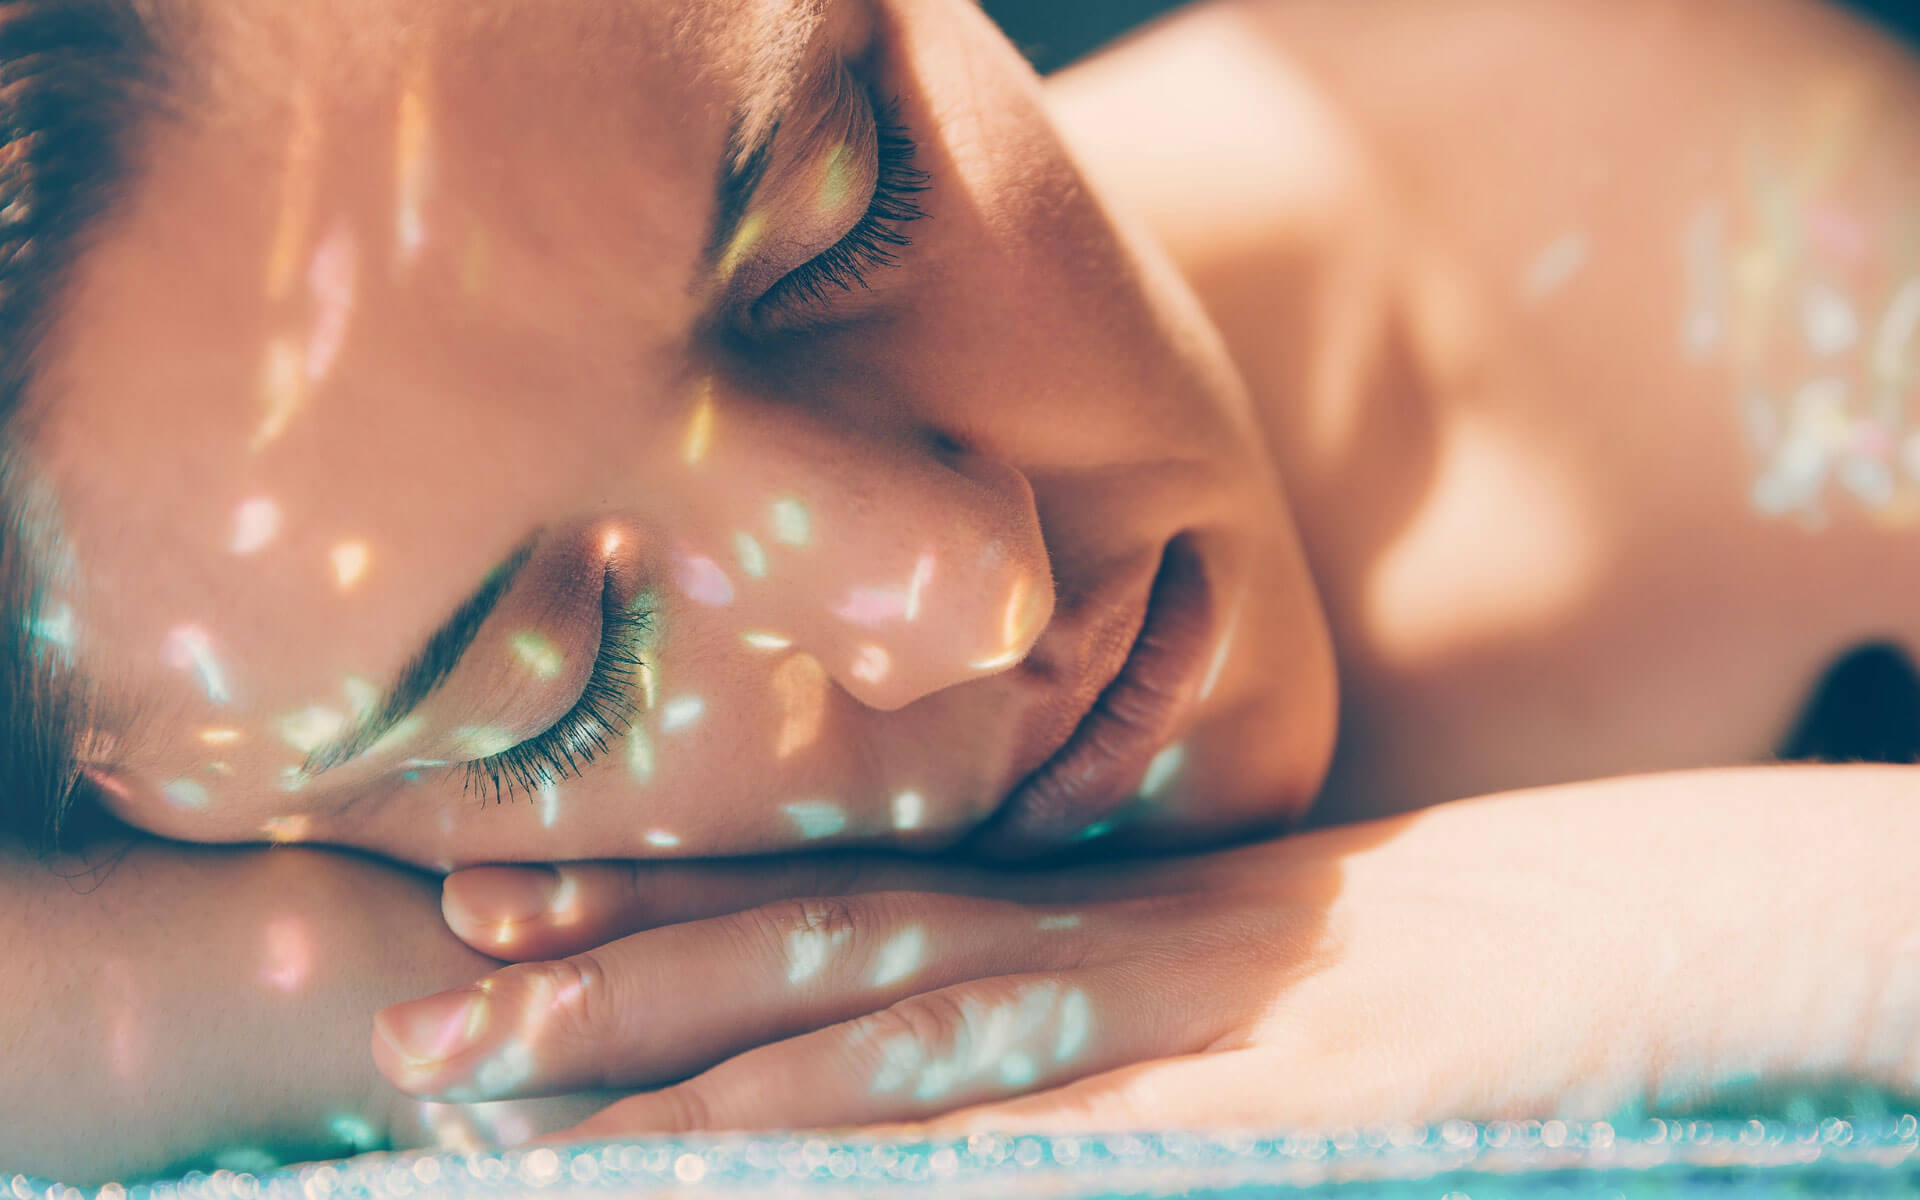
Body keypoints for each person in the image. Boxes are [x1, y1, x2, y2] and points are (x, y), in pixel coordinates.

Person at [3, 0, 1918, 1182]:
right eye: (554, 684)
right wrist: (315, 1003)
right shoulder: (184, 829)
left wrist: (1678, 931)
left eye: (850, 211)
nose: (972, 592)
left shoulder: (1781, 272)